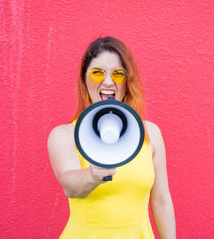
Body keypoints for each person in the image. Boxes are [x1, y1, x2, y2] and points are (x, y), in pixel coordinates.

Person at [47, 37, 176, 238]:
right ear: (84, 79)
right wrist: (93, 175)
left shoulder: (151, 134)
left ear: (128, 81)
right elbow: (70, 187)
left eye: (118, 74)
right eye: (98, 73)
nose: (108, 82)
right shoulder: (64, 135)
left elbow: (161, 200)